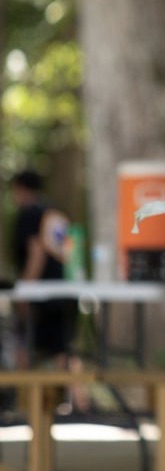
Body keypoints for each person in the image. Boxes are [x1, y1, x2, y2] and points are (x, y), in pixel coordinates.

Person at [8, 169, 88, 411]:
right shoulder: (55, 212)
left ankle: (23, 405)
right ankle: (82, 402)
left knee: (28, 348)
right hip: (66, 290)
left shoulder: (30, 214)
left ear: (20, 189)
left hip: (43, 295)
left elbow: (36, 252)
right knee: (62, 350)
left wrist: (25, 291)